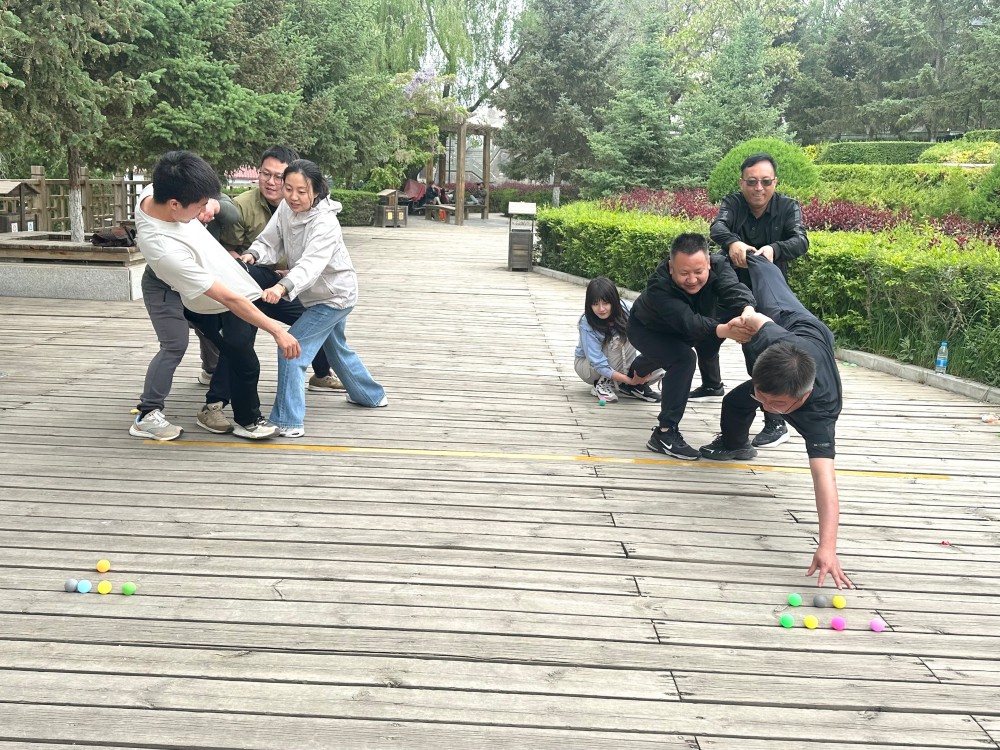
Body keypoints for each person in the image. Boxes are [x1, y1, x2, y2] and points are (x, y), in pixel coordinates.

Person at [699, 253, 850, 589]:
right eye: (762, 396)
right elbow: (758, 320)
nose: (765, 405)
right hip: (785, 334)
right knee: (735, 401)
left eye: (776, 404)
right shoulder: (774, 342)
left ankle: (757, 258)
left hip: (806, 328)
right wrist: (744, 316)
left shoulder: (821, 413)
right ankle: (736, 445)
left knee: (769, 279)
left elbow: (824, 480)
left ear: (802, 398)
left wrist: (827, 547)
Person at [130, 150, 300, 441]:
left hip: (219, 285)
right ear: (174, 205)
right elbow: (229, 300)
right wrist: (277, 331)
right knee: (177, 345)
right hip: (184, 293)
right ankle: (148, 414)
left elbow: (217, 206)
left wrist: (210, 203)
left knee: (238, 352)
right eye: (198, 207)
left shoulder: (157, 190)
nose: (202, 213)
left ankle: (239, 414)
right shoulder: (163, 248)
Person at [242, 159, 387, 438]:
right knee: (336, 349)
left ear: (317, 191)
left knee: (291, 349)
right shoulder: (286, 208)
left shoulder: (325, 222)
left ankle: (288, 421)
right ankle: (371, 395)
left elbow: (311, 264)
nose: (293, 197)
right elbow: (271, 239)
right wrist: (254, 254)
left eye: (302, 191)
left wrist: (281, 288)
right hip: (315, 295)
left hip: (334, 296)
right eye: (288, 189)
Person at [701, 152, 810, 449]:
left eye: (765, 181)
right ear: (742, 183)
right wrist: (733, 242)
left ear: (775, 182)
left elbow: (801, 240)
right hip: (730, 286)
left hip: (768, 293)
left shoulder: (788, 206)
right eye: (751, 182)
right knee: (707, 333)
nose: (758, 188)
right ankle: (711, 384)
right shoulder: (733, 203)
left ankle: (775, 422)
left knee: (759, 350)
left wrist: (775, 249)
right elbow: (718, 227)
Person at [219, 146, 344, 396]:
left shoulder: (318, 215)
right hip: (251, 282)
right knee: (238, 334)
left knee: (313, 322)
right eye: (266, 174)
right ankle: (217, 398)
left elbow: (312, 261)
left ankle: (322, 374)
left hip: (291, 285)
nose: (271, 182)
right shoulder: (242, 205)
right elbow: (231, 250)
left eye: (279, 177)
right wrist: (250, 258)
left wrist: (286, 279)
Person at [627, 233, 756, 460]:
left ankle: (632, 377)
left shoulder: (719, 264)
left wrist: (747, 310)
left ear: (708, 263)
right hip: (647, 329)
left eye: (698, 272)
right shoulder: (659, 285)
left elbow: (733, 289)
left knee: (678, 350)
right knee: (683, 358)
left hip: (687, 329)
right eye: (684, 273)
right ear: (671, 267)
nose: (692, 279)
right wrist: (726, 330)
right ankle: (664, 433)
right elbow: (687, 322)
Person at [575, 277, 661, 403]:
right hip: (589, 367)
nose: (601, 309)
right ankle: (604, 383)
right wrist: (629, 380)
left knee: (661, 358)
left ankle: (633, 386)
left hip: (620, 361)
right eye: (595, 304)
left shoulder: (627, 309)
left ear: (614, 301)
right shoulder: (586, 323)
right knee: (618, 339)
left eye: (605, 303)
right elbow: (598, 362)